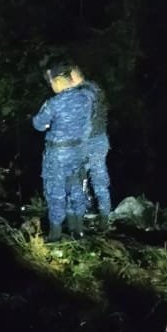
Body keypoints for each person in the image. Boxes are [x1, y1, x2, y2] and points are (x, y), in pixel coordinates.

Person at [31, 63, 95, 242]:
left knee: (56, 191)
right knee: (77, 188)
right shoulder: (86, 100)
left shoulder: (54, 103)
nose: (51, 86)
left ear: (59, 82)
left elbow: (38, 124)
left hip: (58, 155)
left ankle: (55, 233)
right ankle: (78, 230)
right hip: (80, 153)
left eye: (52, 82)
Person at [68, 64, 111, 225]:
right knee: (98, 179)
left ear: (72, 77)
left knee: (79, 178)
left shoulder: (83, 93)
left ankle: (84, 213)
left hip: (88, 143)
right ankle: (103, 216)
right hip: (100, 139)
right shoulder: (95, 88)